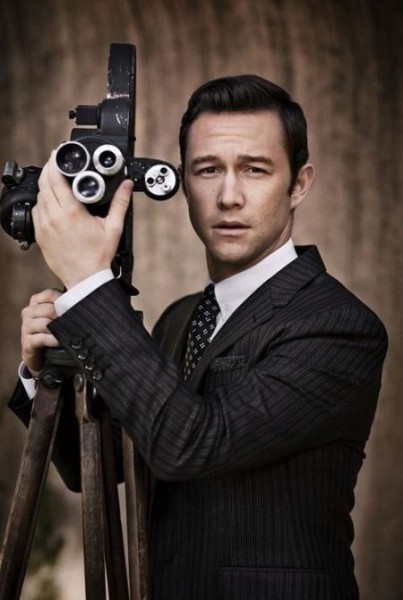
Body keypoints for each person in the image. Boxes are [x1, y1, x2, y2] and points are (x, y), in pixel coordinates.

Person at [11, 75, 387, 599]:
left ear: (299, 184)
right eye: (208, 170)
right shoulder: (180, 318)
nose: (229, 197)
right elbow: (95, 466)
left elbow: (190, 444)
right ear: (181, 183)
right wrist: (42, 372)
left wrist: (89, 285)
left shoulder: (339, 326)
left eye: (255, 169)